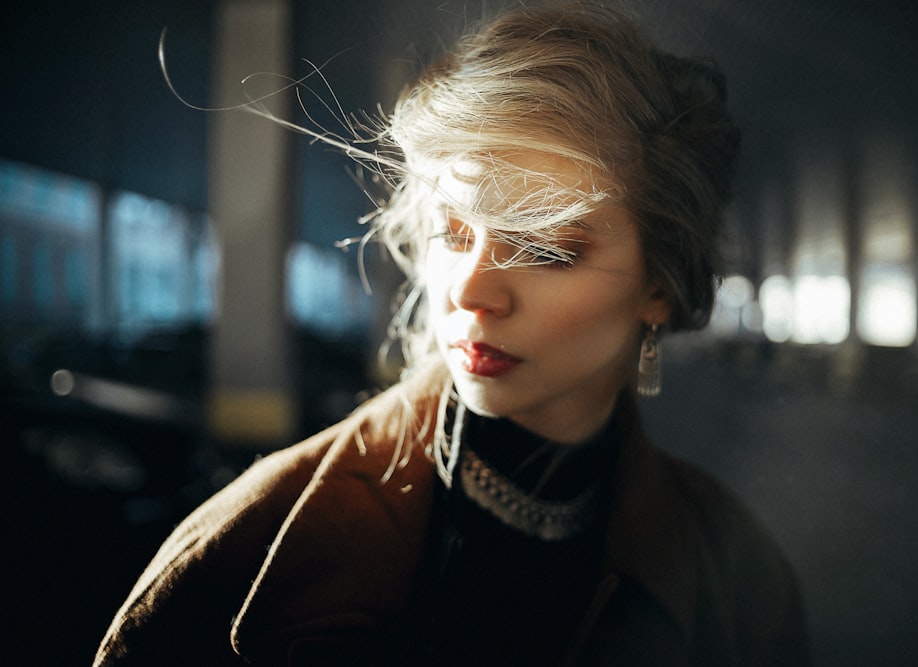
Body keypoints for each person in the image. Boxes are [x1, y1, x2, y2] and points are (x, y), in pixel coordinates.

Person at [94, 3, 809, 665]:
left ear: (659, 284)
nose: (470, 289)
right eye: (453, 232)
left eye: (545, 248)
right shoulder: (255, 546)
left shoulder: (738, 577)